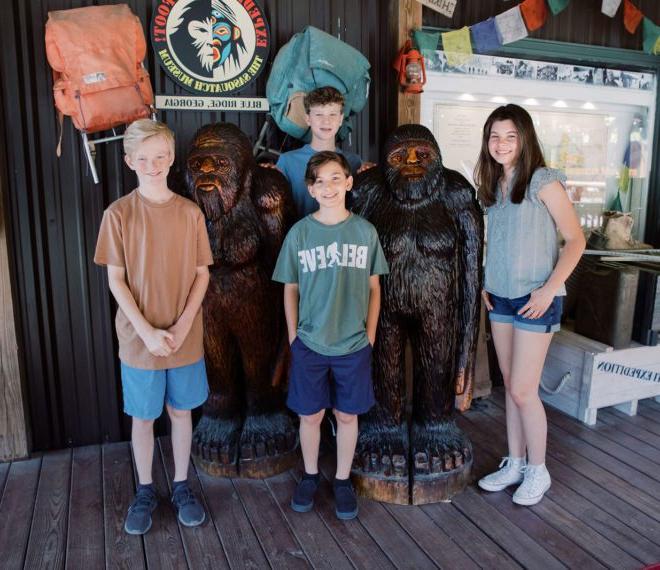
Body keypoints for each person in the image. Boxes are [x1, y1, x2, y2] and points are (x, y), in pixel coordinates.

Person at [94, 119, 214, 534]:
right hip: (139, 339)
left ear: (171, 158)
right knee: (143, 417)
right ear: (129, 161)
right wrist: (146, 331)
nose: (153, 165)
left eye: (161, 157)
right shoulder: (119, 214)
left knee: (181, 412)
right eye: (144, 158)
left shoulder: (190, 212)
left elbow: (202, 274)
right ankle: (145, 489)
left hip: (184, 336)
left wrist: (181, 328)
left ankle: (181, 485)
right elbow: (115, 280)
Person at [474, 104, 585, 506]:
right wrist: (486, 282)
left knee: (523, 390)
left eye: (510, 136)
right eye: (494, 136)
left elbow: (576, 240)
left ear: (525, 138)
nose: (501, 144)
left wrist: (549, 289)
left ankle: (539, 470)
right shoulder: (494, 184)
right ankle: (515, 463)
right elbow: (499, 242)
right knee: (510, 386)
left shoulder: (542, 180)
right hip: (500, 295)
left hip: (537, 298)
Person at [272, 151, 388, 519]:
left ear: (349, 182)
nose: (328, 187)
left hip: (353, 344)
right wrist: (294, 337)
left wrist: (369, 336)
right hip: (310, 342)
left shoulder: (364, 232)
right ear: (310, 187)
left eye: (336, 178)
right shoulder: (300, 232)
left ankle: (341, 479)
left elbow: (374, 288)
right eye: (320, 181)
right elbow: (289, 287)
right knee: (310, 416)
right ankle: (308, 475)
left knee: (347, 416)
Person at [276, 86, 374, 218]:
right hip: (299, 236)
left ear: (340, 119)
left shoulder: (354, 162)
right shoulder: (287, 162)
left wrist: (371, 174)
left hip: (341, 237)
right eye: (319, 114)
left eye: (332, 114)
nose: (326, 121)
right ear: (308, 119)